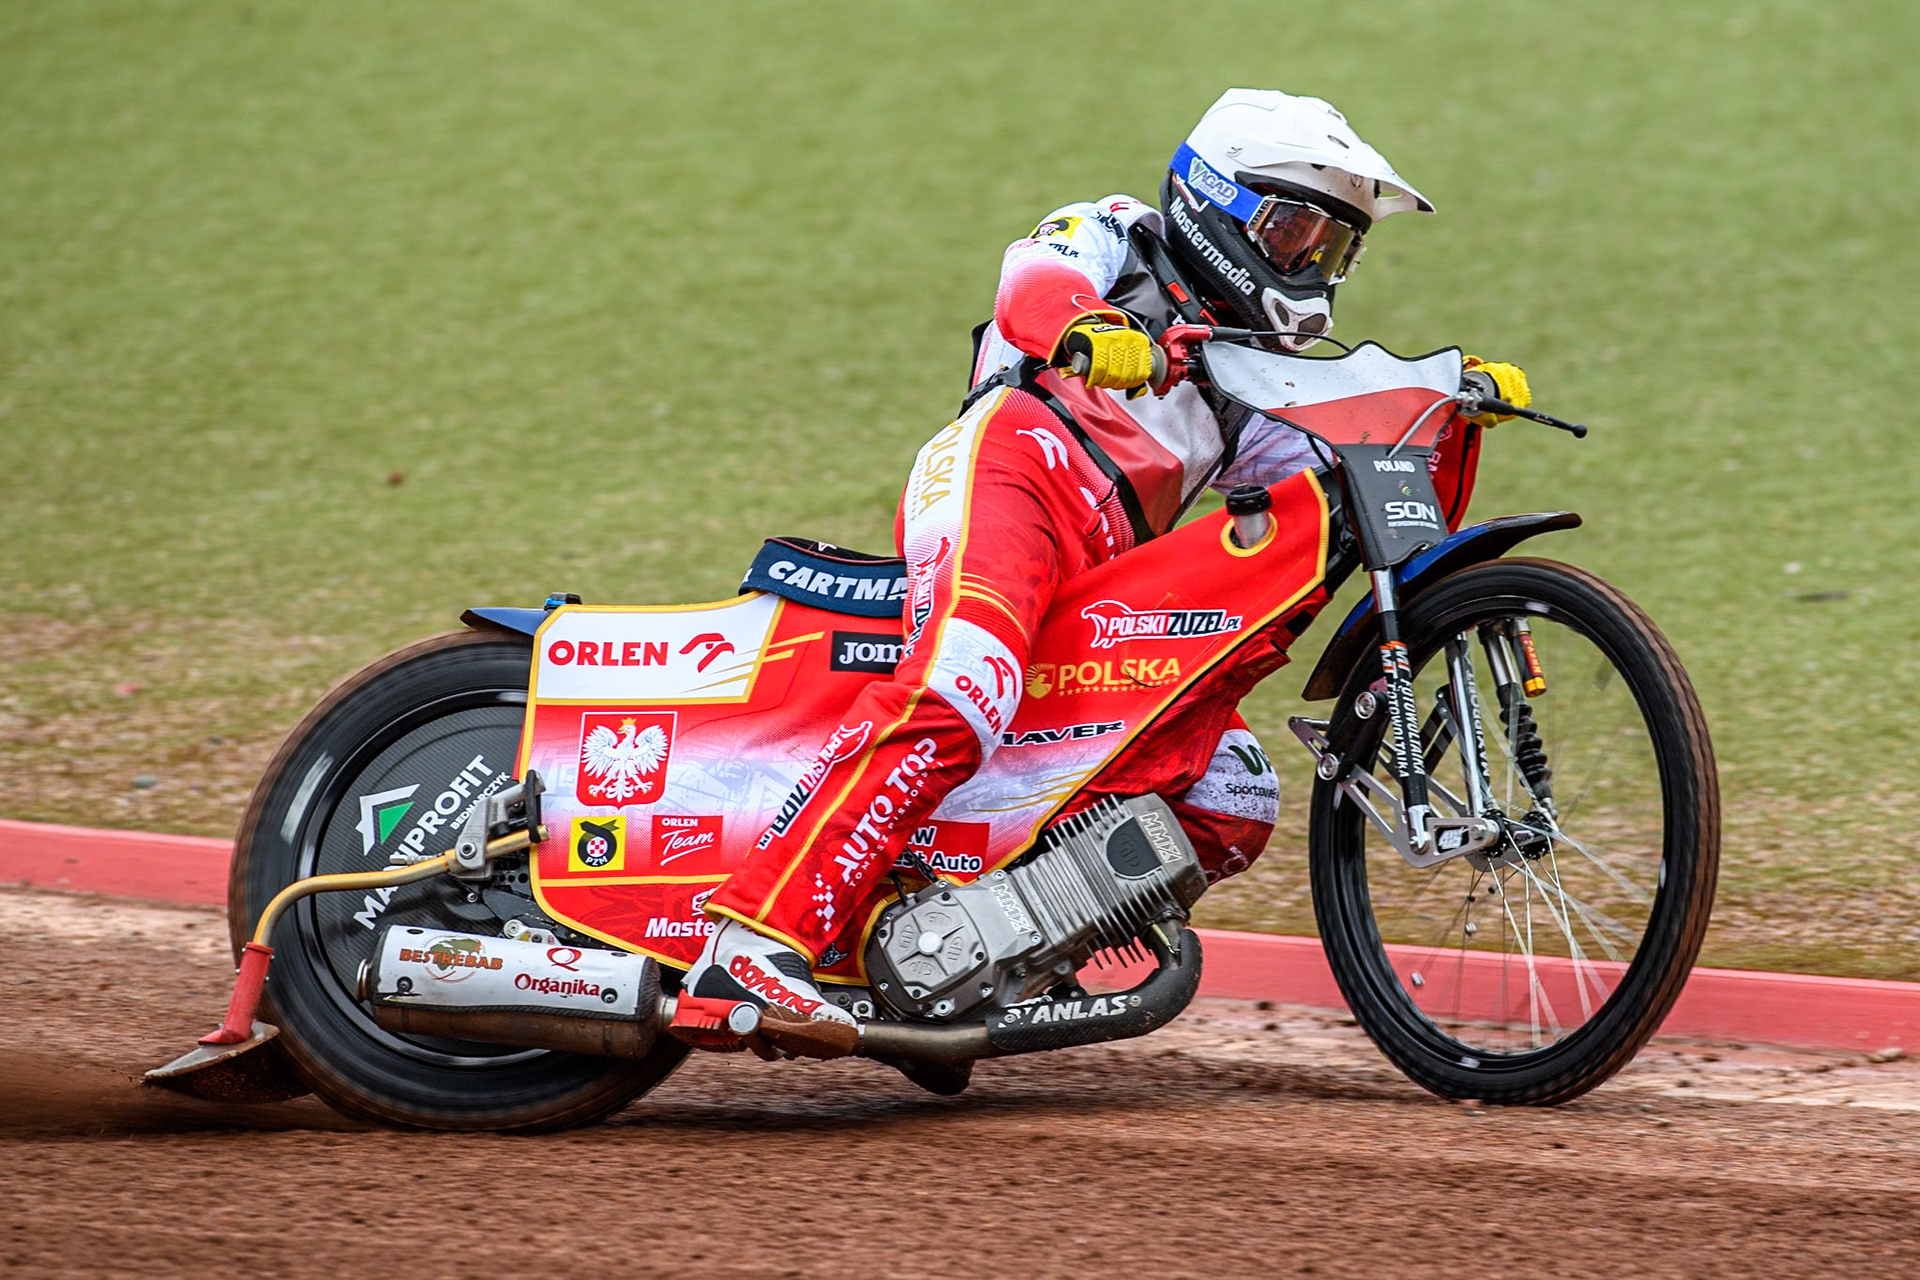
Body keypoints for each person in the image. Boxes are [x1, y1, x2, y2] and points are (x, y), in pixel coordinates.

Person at [685, 88, 1532, 1025]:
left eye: (1330, 247)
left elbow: (1337, 494)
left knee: (1231, 790)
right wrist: (1094, 332)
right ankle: (751, 941)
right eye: (1294, 232)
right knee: (963, 689)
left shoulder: (1252, 367)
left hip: (1109, 568)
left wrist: (1437, 422)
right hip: (1011, 473)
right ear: (1222, 205)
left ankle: (983, 954)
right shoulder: (1113, 233)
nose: (1309, 263)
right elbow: (1031, 290)